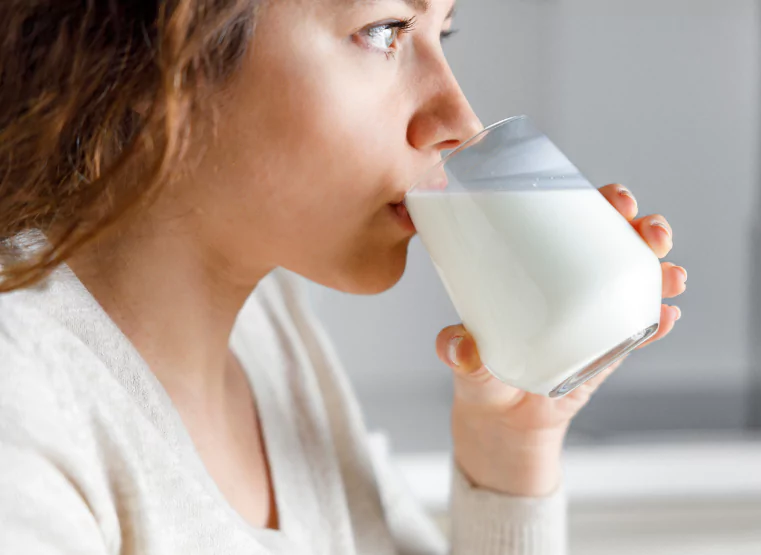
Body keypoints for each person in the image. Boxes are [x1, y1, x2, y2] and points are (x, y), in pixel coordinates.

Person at [0, 0, 687, 553]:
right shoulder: (25, 398)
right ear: (156, 60)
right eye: (385, 30)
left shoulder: (275, 340)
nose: (459, 119)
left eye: (441, 32)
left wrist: (511, 448)